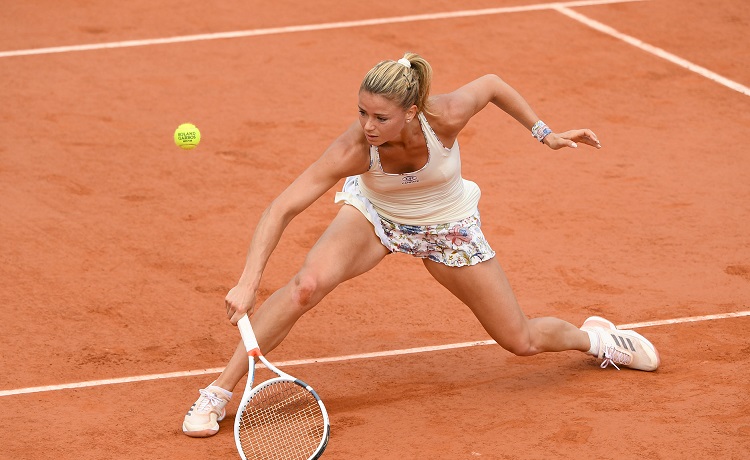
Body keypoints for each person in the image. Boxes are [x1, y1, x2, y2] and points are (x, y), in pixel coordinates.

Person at [182, 52, 660, 437]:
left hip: (446, 226)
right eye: (362, 112)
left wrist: (544, 133)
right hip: (376, 219)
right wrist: (248, 281)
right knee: (306, 285)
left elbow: (492, 83)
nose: (368, 126)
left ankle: (597, 339)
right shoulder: (354, 149)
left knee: (522, 340)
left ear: (412, 111)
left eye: (380, 117)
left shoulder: (445, 116)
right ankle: (219, 392)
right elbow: (281, 208)